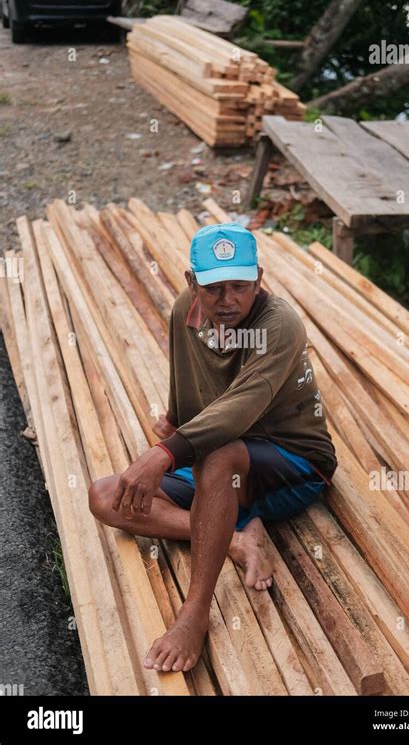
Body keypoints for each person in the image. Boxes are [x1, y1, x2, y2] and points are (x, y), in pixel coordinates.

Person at [88, 222, 337, 674]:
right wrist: (175, 425)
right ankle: (236, 538)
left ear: (259, 279)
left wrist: (164, 454)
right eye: (214, 288)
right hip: (222, 456)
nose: (228, 301)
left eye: (240, 287)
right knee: (106, 496)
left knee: (219, 456)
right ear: (190, 283)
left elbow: (241, 408)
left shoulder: (279, 325)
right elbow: (185, 378)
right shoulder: (188, 309)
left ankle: (193, 616)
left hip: (293, 461)